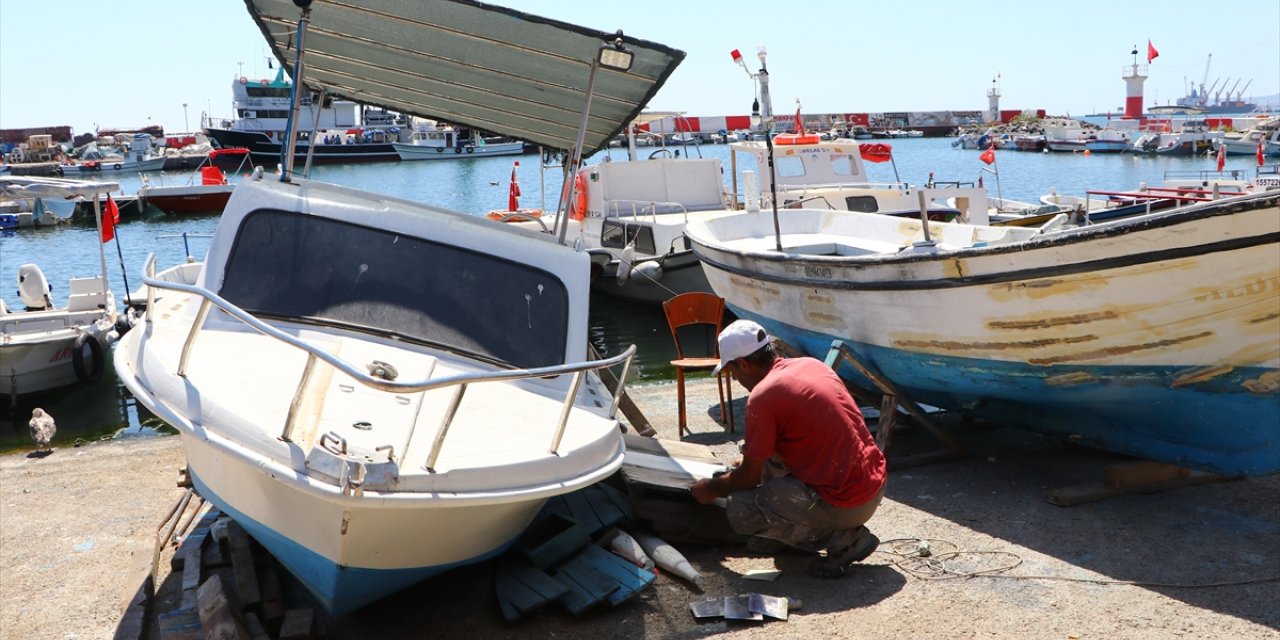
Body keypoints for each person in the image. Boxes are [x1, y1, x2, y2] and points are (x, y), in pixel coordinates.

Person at [689, 320, 887, 578]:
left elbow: (748, 477)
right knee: (764, 459)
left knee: (741, 508)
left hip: (849, 502)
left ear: (743, 364)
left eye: (733, 372)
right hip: (873, 484)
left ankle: (844, 539)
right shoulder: (811, 364)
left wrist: (711, 488)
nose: (736, 379)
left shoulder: (762, 396)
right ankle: (789, 536)